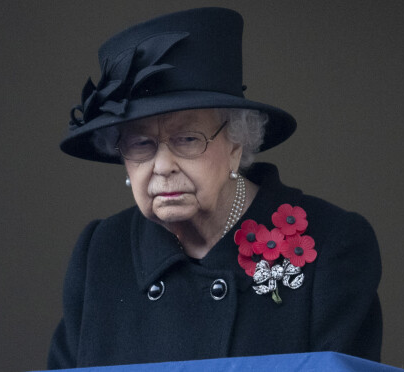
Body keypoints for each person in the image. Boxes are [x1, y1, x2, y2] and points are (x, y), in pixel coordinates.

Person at [48, 7, 382, 369]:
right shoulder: (100, 253)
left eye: (187, 139)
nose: (162, 167)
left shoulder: (334, 243)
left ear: (237, 144)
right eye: (140, 144)